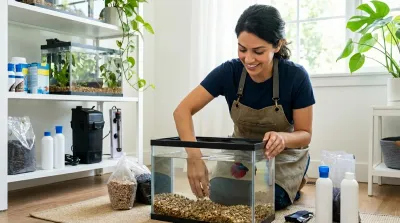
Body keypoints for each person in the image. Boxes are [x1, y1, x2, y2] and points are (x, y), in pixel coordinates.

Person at [172, 4, 315, 210]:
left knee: (265, 200)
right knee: (219, 194)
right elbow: (182, 111)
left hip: (281, 156)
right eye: (242, 49)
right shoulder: (229, 72)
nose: (248, 59)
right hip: (242, 154)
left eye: (258, 51)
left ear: (277, 45)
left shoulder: (296, 77)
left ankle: (296, 180)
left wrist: (283, 138)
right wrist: (194, 157)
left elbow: (305, 134)